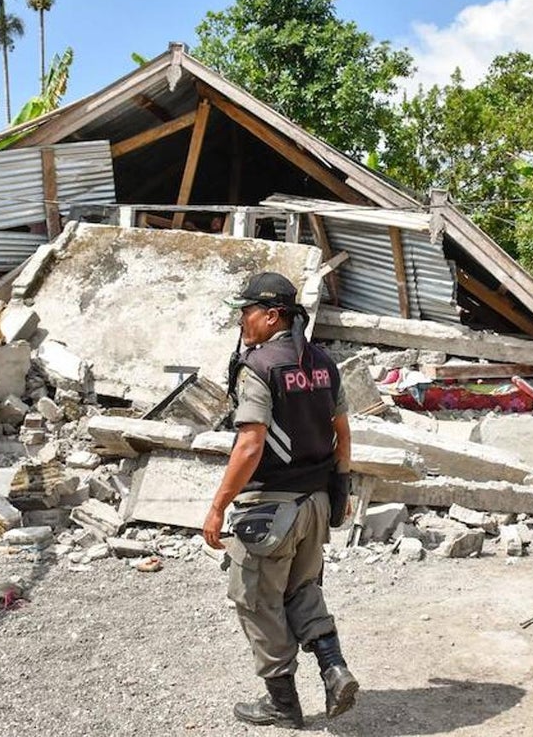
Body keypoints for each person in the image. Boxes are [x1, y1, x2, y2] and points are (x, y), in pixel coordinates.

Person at [203, 272, 358, 729]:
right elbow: (342, 433)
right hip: (314, 505)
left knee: (258, 601)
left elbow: (250, 445)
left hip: (271, 511)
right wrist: (340, 492)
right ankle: (334, 668)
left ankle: (282, 703)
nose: (241, 320)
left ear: (272, 316)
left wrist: (216, 507)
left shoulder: (260, 367)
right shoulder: (324, 363)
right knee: (303, 590)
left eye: (246, 311)